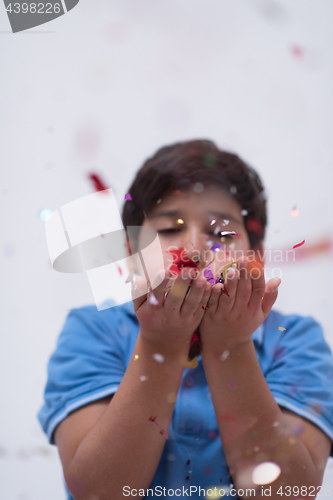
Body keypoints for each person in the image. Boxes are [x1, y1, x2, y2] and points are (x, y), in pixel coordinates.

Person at [37, 140, 333, 500]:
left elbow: (289, 493)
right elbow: (99, 492)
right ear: (132, 254)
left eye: (220, 233)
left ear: (255, 254)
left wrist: (231, 346)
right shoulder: (93, 331)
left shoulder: (294, 340)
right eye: (167, 230)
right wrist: (160, 344)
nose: (194, 249)